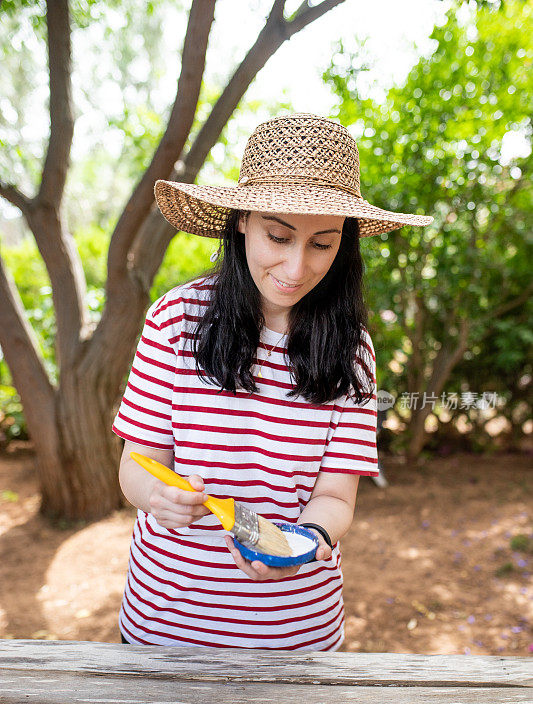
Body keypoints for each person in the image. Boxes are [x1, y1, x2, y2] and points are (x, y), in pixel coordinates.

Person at [112, 112, 433, 650]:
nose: (296, 266)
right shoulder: (177, 320)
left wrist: (307, 540)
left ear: (344, 245)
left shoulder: (352, 350)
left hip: (298, 634)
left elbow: (336, 495)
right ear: (241, 220)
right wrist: (158, 497)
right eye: (278, 235)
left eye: (322, 244)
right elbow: (137, 464)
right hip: (165, 629)